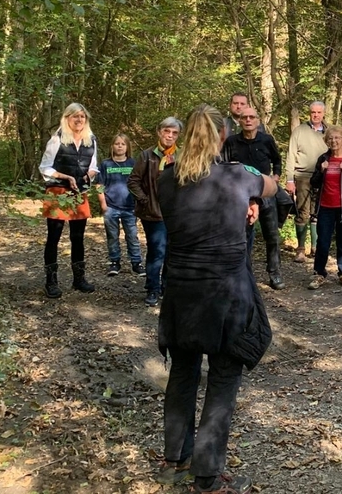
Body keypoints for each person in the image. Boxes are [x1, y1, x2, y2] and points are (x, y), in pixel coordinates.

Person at [155, 104, 277, 494]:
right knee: (223, 379)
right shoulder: (238, 176)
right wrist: (253, 198)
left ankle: (175, 459)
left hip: (181, 292)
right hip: (227, 295)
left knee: (182, 372)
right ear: (223, 135)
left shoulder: (167, 180)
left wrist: (247, 202)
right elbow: (273, 185)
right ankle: (206, 476)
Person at [39, 103, 100, 298]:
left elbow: (94, 166)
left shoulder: (91, 139)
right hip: (58, 191)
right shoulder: (57, 139)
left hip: (79, 193)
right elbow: (45, 167)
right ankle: (51, 282)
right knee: (54, 237)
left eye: (82, 116)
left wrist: (88, 176)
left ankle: (79, 279)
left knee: (78, 237)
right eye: (75, 116)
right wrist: (65, 177)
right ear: (67, 118)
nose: (79, 120)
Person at [221, 106, 285, 290]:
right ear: (239, 121)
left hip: (265, 193)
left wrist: (275, 177)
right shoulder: (231, 142)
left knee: (272, 235)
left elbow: (277, 161)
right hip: (241, 195)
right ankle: (243, 274)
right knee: (242, 236)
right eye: (244, 117)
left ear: (258, 120)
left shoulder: (267, 140)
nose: (248, 120)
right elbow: (224, 166)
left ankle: (274, 272)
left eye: (251, 117)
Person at [128, 116, 183, 307]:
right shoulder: (147, 155)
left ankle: (167, 287)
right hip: (153, 212)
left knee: (172, 251)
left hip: (176, 213)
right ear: (159, 132)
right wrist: (145, 200)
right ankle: (152, 288)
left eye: (174, 133)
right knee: (157, 250)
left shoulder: (182, 155)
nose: (170, 136)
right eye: (166, 131)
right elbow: (133, 181)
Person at [308, 126, 342, 289]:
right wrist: (321, 171)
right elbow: (314, 183)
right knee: (322, 242)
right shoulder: (323, 158)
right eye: (330, 138)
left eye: (337, 138)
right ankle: (319, 274)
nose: (334, 141)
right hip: (325, 207)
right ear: (327, 141)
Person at [286, 101, 328, 263]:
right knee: (303, 212)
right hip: (302, 176)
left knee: (318, 212)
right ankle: (301, 249)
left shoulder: (329, 131)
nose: (316, 115)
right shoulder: (299, 131)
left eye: (319, 112)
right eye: (313, 112)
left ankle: (315, 248)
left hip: (323, 177)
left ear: (323, 113)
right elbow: (291, 155)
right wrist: (290, 179)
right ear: (309, 113)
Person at [97, 133, 144, 277]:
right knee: (112, 236)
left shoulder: (133, 163)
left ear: (127, 147)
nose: (120, 146)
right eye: (117, 144)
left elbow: (139, 183)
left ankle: (136, 263)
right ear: (112, 146)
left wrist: (139, 202)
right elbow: (99, 185)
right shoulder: (106, 164)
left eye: (123, 144)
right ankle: (114, 262)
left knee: (132, 236)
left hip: (130, 207)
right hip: (111, 207)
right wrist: (103, 204)